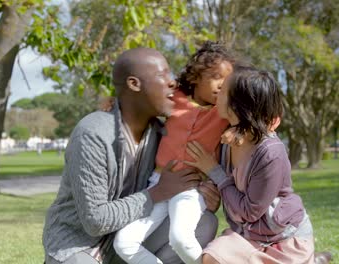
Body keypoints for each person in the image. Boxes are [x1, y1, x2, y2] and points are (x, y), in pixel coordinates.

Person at [42, 48, 220, 264]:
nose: (172, 82)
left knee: (205, 221)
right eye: (162, 74)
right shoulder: (94, 133)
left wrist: (203, 193)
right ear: (134, 84)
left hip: (124, 242)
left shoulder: (160, 133)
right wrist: (158, 192)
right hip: (78, 245)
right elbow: (95, 221)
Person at [113, 41, 234, 264]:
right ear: (196, 76)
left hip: (191, 187)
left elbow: (259, 115)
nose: (222, 85)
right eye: (216, 76)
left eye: (227, 80)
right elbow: (144, 98)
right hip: (158, 183)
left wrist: (237, 132)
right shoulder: (175, 97)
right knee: (123, 243)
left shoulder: (224, 111)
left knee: (180, 238)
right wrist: (114, 102)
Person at [185, 65, 316, 263]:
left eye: (223, 91)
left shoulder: (271, 153)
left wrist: (213, 171)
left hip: (284, 239)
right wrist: (210, 190)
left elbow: (249, 211)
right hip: (249, 236)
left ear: (237, 105)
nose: (217, 93)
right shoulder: (227, 136)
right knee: (211, 257)